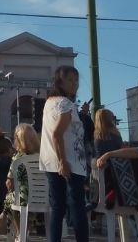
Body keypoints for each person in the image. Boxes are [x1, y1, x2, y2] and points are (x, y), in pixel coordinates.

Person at [39, 66, 88, 242]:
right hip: (70, 162)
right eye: (70, 80)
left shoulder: (49, 102)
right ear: (60, 82)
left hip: (50, 160)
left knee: (57, 208)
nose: (75, 84)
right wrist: (63, 161)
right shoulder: (66, 104)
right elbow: (57, 133)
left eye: (76, 81)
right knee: (77, 208)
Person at [93, 108, 138, 240]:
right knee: (132, 209)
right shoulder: (117, 136)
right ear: (110, 120)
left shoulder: (97, 139)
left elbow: (100, 164)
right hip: (125, 183)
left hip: (109, 187)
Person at [3, 124, 40, 236]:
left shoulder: (17, 158)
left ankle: (20, 233)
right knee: (25, 197)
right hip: (42, 197)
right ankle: (26, 230)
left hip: (24, 199)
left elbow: (10, 183)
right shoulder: (41, 156)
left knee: (10, 198)